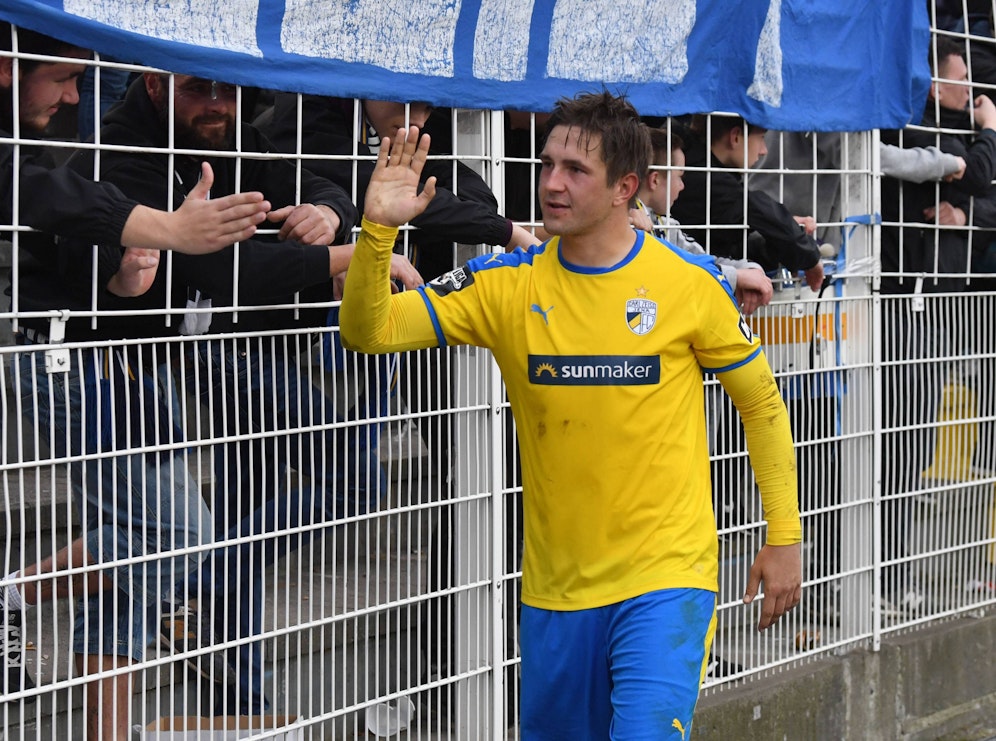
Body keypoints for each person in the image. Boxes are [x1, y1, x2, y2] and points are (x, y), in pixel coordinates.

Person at [341, 92, 802, 738]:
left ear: (626, 188)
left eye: (576, 170)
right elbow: (372, 330)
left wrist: (784, 533)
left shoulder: (689, 283)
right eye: (547, 163)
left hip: (666, 580)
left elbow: (760, 401)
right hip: (556, 597)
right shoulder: (505, 285)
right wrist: (377, 230)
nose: (552, 183)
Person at [61, 69, 421, 717]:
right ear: (151, 84)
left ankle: (240, 694)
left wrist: (329, 213)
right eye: (199, 89)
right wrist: (350, 254)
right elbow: (217, 266)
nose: (216, 105)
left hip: (248, 342)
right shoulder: (123, 152)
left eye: (226, 90)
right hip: (178, 347)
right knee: (353, 479)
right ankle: (197, 579)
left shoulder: (240, 134)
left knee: (237, 518)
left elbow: (314, 185)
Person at [0, 27, 267, 731]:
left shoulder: (59, 133)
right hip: (63, 358)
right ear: (7, 69)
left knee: (146, 542)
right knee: (181, 535)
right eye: (61, 76)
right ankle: (16, 591)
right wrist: (167, 233)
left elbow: (74, 246)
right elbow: (46, 198)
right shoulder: (86, 145)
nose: (73, 93)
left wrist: (125, 276)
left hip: (120, 356)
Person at [878, 36, 996, 613]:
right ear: (931, 81)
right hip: (908, 300)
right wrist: (988, 136)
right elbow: (977, 173)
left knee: (923, 437)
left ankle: (908, 569)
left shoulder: (961, 135)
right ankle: (879, 570)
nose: (971, 89)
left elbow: (982, 191)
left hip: (959, 303)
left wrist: (968, 210)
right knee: (901, 437)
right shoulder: (910, 126)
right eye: (960, 76)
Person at [670, 114, 826, 292]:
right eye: (761, 138)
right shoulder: (706, 178)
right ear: (735, 137)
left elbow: (729, 242)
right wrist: (809, 256)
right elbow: (752, 207)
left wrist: (780, 235)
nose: (764, 150)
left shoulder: (703, 166)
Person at [629, 126, 773, 315]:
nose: (682, 186)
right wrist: (737, 276)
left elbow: (701, 260)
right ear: (655, 180)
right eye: (680, 176)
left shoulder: (665, 224)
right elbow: (679, 272)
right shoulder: (626, 223)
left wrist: (749, 270)